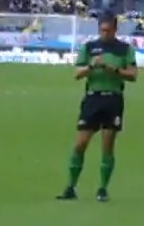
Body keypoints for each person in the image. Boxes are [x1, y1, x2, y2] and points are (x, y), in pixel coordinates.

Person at [58, 13, 137, 202]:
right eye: (102, 30)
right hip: (92, 98)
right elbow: (77, 73)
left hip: (113, 99)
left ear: (115, 30)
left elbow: (133, 75)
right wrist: (92, 67)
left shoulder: (124, 49)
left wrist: (114, 70)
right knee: (80, 144)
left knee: (107, 146)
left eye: (108, 30)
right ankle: (71, 187)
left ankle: (102, 189)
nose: (104, 34)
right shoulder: (89, 47)